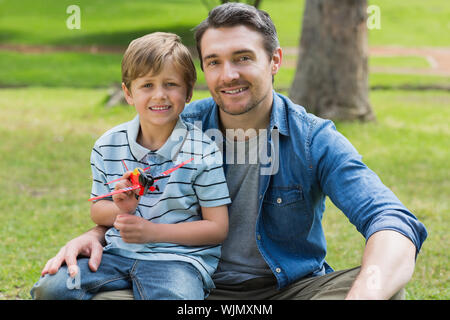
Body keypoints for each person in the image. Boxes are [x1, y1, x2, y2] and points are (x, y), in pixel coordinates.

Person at [34, 3, 427, 300]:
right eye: (214, 62)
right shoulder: (178, 125)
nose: (228, 75)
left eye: (243, 58)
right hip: (188, 283)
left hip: (287, 291)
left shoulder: (312, 139)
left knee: (383, 287)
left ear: (274, 61)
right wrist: (95, 234)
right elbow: (140, 200)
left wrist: (368, 290)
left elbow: (389, 218)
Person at [30, 32, 230, 300]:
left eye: (171, 84)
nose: (159, 95)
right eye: (147, 85)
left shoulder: (203, 152)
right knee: (51, 289)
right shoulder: (107, 145)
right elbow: (98, 211)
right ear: (128, 93)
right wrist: (123, 208)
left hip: (178, 262)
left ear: (189, 92)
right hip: (116, 255)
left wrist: (152, 232)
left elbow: (217, 228)